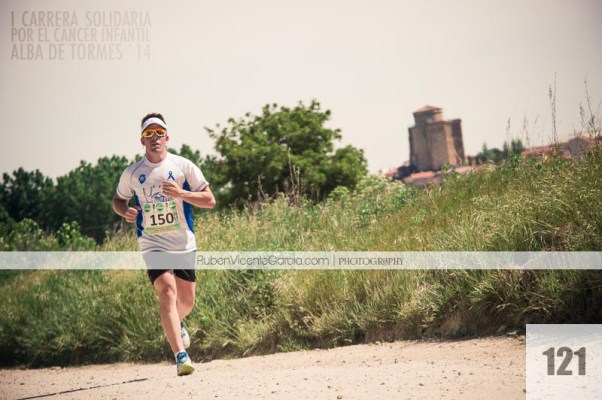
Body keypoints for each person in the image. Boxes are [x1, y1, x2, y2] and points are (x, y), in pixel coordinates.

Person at [112, 113, 216, 376]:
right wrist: (125, 211)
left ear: (167, 137)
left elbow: (210, 200)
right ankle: (181, 356)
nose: (154, 138)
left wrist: (181, 193)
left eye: (159, 132)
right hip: (152, 243)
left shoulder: (183, 166)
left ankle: (176, 322)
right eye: (149, 134)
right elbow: (118, 200)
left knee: (187, 301)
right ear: (142, 140)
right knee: (167, 292)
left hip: (183, 244)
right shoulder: (132, 173)